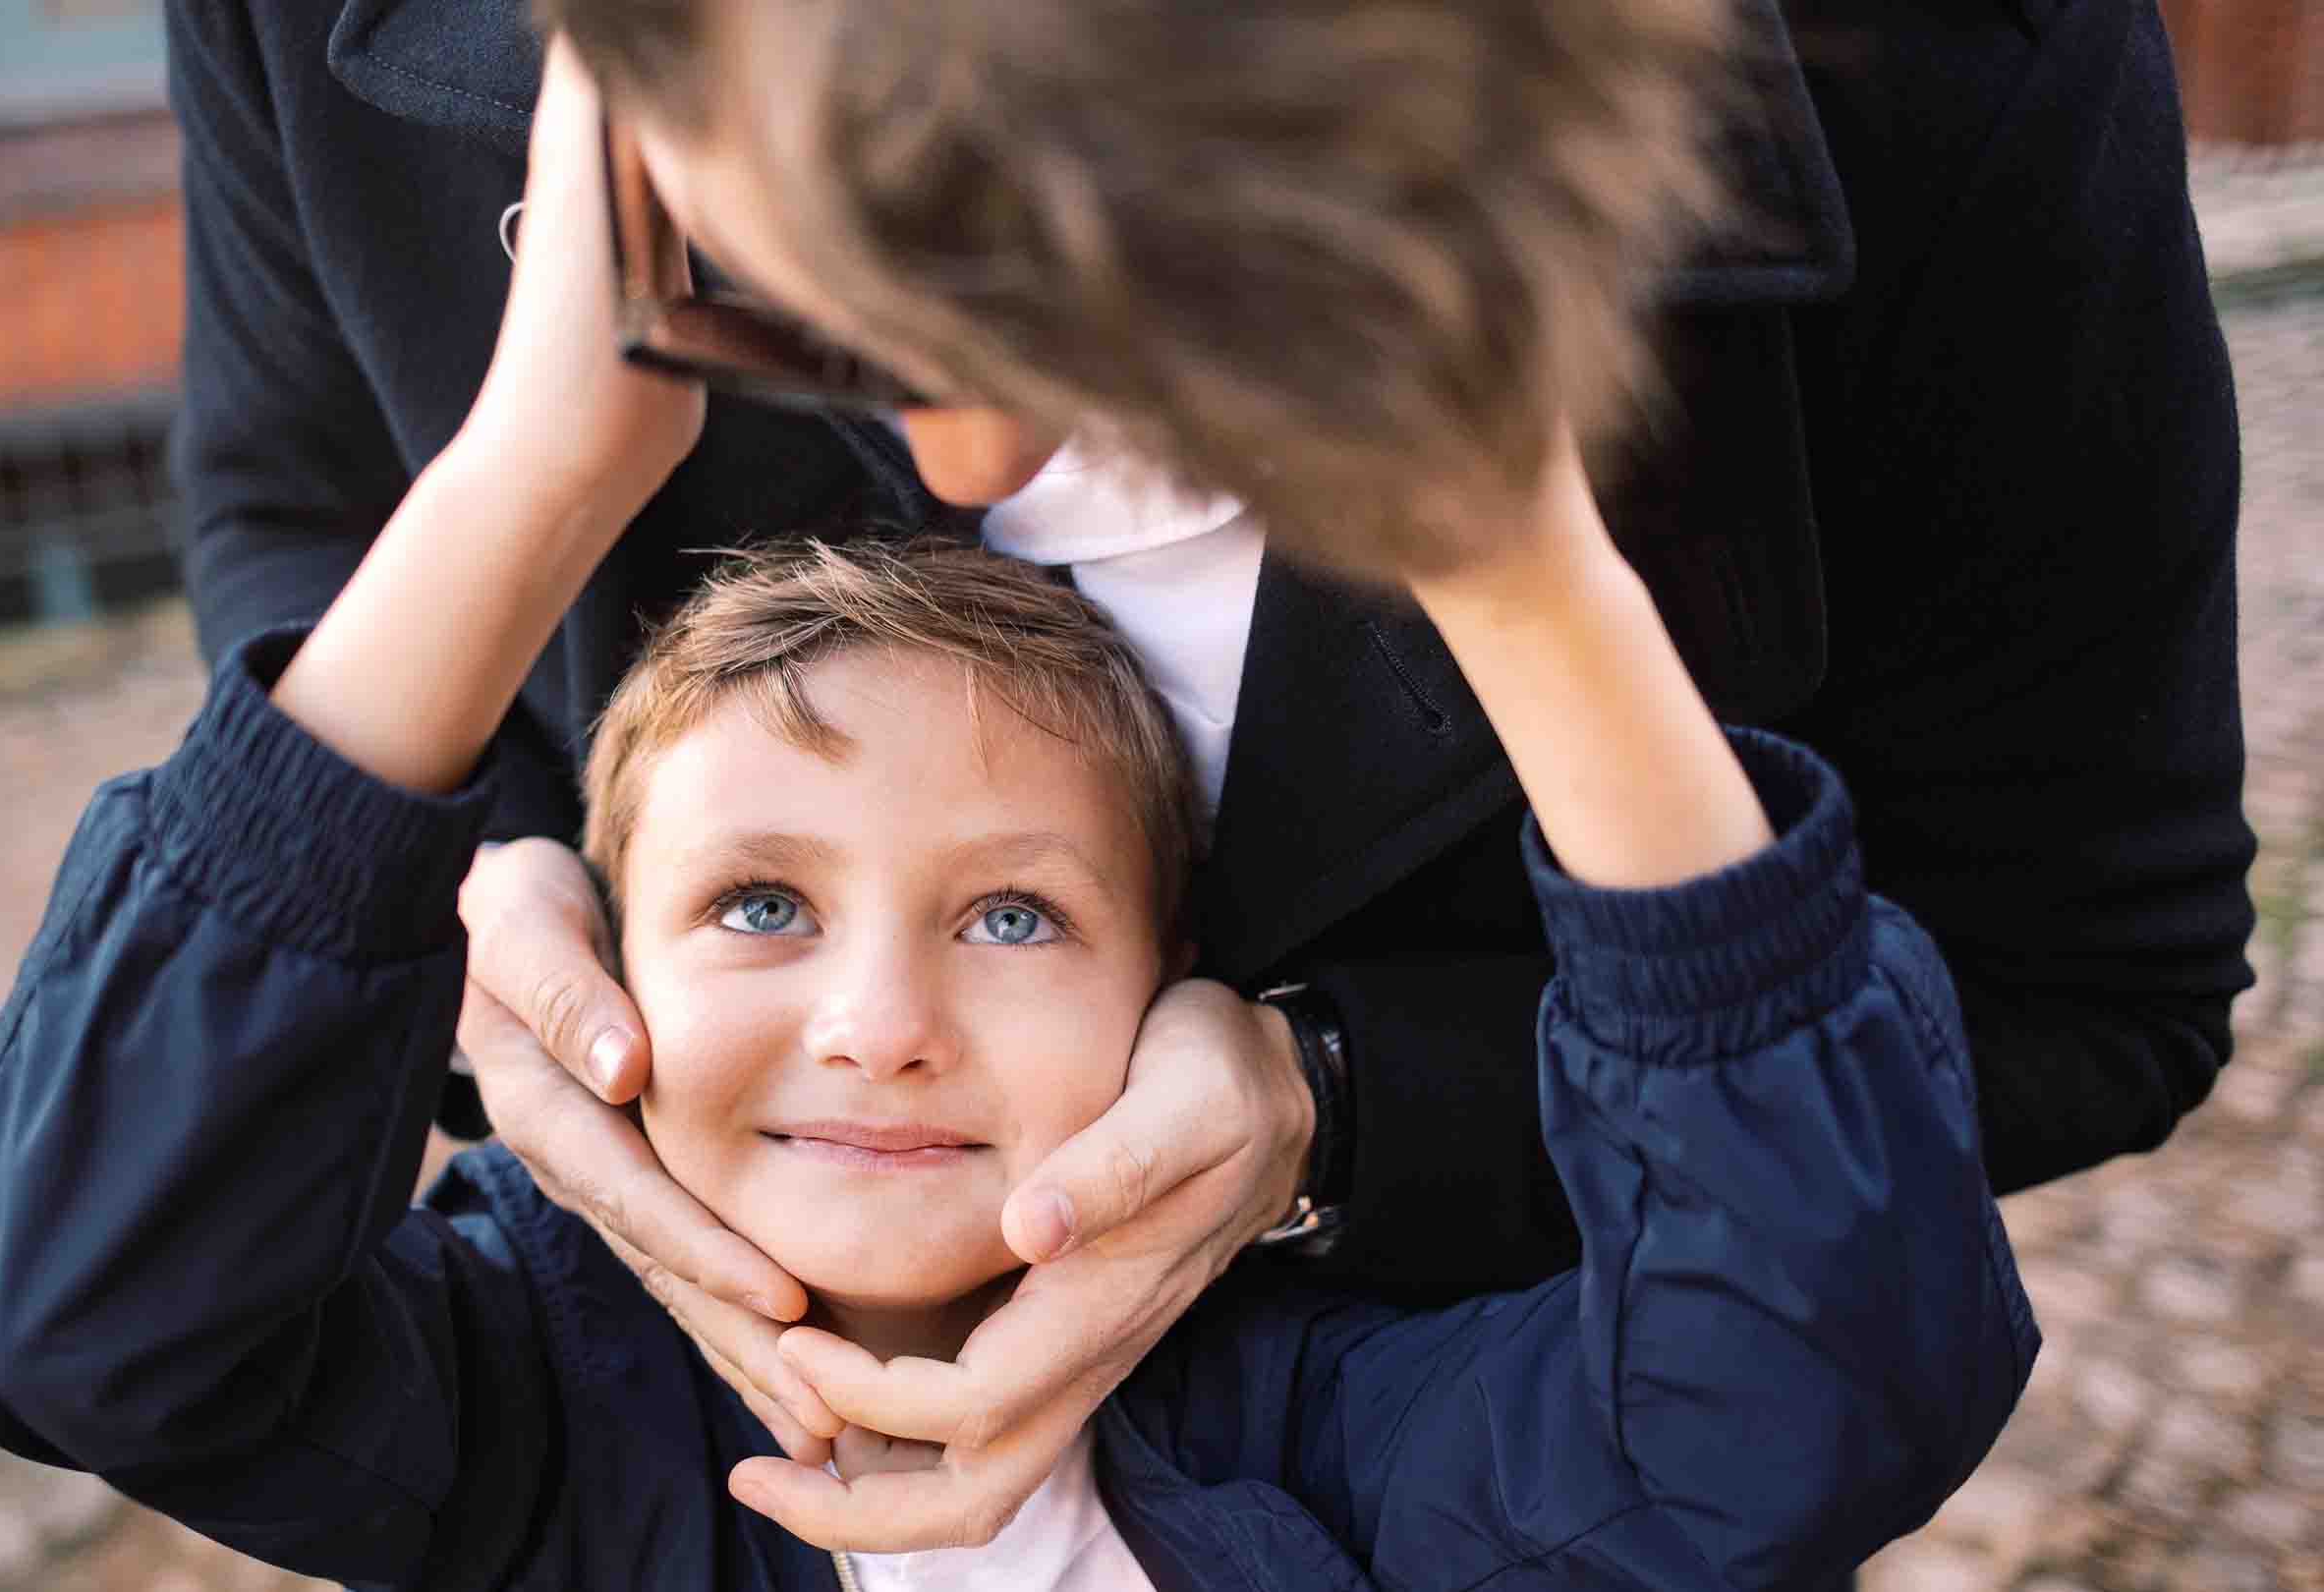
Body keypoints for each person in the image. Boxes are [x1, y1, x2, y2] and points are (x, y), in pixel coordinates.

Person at [165, 0, 2253, 1548]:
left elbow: (2074, 988)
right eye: (815, 310)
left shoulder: (1965, 67)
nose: (965, 475)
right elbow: (299, 507)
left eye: (1101, 336)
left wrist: (1350, 1097)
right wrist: (448, 863)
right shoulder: (544, 1414)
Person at [0, 504, 2035, 1586]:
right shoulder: (516, 1407)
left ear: (1174, 986)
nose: (882, 1026)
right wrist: (535, 470)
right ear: (593, 971)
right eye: (759, 905)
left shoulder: (1314, 1416)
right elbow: (87, 1322)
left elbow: (1799, 1402)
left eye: (1013, 913)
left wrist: (1514, 566)